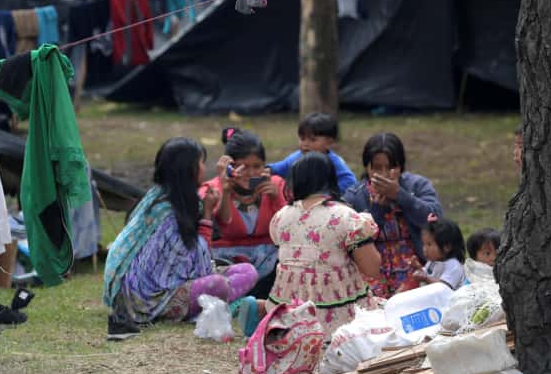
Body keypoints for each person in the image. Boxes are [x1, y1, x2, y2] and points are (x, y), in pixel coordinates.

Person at [103, 138, 258, 340]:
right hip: (149, 298)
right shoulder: (168, 215)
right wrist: (207, 215)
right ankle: (225, 305)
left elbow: (200, 257)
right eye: (201, 163)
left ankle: (219, 305)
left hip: (176, 280)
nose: (205, 168)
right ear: (189, 169)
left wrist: (221, 192)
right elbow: (200, 268)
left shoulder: (177, 199)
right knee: (217, 284)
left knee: (248, 271)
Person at [268, 152, 382, 339]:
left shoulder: (280, 218)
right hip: (337, 322)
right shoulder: (345, 217)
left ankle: (262, 309)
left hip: (288, 325)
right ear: (330, 178)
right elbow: (372, 268)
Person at [343, 132, 443, 298]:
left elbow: (435, 219)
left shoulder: (417, 186)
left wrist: (400, 195)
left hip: (415, 267)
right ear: (367, 167)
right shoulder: (355, 196)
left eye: (391, 167)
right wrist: (377, 211)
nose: (384, 174)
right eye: (377, 168)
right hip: (373, 273)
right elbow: (352, 241)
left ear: (401, 167)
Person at [200, 127, 287, 298]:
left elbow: (290, 230)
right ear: (230, 166)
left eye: (257, 166)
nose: (251, 173)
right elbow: (222, 226)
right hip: (227, 262)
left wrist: (277, 198)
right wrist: (225, 191)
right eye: (244, 167)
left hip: (267, 261)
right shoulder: (212, 189)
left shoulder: (276, 185)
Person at [268, 113, 358, 192]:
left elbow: (350, 181)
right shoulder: (296, 157)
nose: (305, 144)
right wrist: (266, 170)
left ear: (329, 143)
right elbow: (277, 168)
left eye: (312, 140)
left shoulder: (333, 162)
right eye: (302, 139)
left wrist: (328, 193)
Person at [414, 217, 466, 290]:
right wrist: (418, 267)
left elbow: (443, 287)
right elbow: (427, 273)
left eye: (429, 244)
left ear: (447, 247)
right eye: (423, 244)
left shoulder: (453, 266)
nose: (424, 249)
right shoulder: (432, 262)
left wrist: (426, 279)